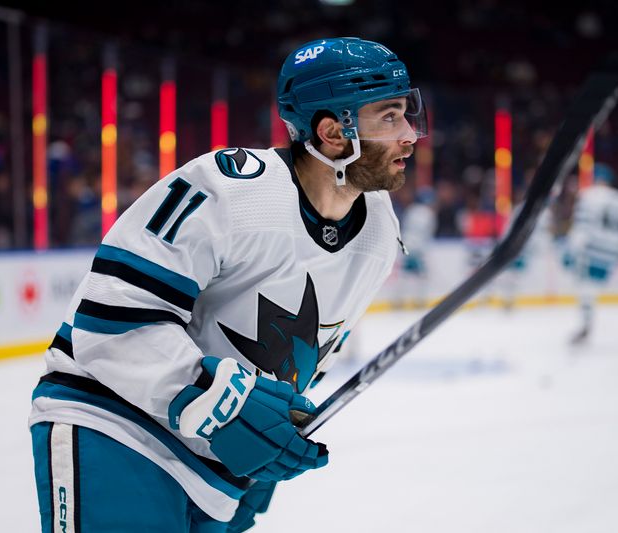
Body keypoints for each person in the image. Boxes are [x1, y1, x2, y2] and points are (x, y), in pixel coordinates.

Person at [28, 37, 426, 533]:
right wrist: (223, 404)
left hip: (216, 465)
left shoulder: (378, 231)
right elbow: (110, 319)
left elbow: (306, 353)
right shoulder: (231, 188)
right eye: (389, 118)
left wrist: (274, 431)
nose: (410, 135)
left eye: (407, 116)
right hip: (118, 426)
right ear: (332, 131)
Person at [562, 163, 618, 344]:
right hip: (610, 254)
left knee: (584, 289)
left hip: (591, 251)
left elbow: (582, 228)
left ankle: (586, 326)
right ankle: (586, 325)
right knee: (589, 290)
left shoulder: (588, 197)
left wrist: (570, 251)